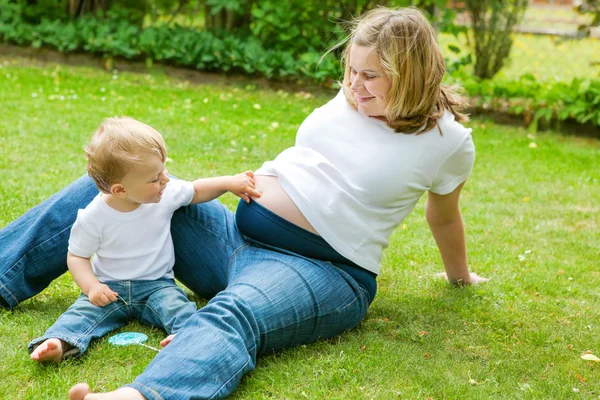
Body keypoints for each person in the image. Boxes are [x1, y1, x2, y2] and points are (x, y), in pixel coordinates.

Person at [0, 6, 488, 399]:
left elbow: (443, 215)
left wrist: (459, 276)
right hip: (234, 239)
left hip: (322, 270)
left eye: (372, 77)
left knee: (237, 312)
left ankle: (137, 396)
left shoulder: (448, 142)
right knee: (111, 190)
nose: (354, 87)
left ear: (412, 75)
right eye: (350, 70)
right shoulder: (351, 96)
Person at [28, 117, 260, 364]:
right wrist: (92, 287)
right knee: (81, 314)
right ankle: (58, 342)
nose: (166, 180)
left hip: (158, 285)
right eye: (155, 178)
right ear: (120, 190)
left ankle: (185, 336)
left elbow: (197, 189)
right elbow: (77, 256)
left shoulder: (165, 195)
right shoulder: (93, 217)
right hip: (110, 288)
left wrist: (228, 182)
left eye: (163, 170)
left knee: (178, 308)